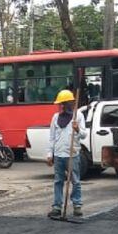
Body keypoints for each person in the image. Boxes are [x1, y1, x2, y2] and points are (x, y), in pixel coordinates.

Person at [46, 90, 87, 218]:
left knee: (75, 181)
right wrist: (49, 153)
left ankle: (77, 205)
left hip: (72, 154)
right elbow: (52, 137)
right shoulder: (55, 117)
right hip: (59, 155)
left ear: (69, 103)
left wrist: (77, 129)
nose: (60, 106)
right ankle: (57, 207)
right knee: (58, 181)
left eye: (62, 104)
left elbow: (84, 135)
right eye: (59, 104)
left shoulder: (78, 116)